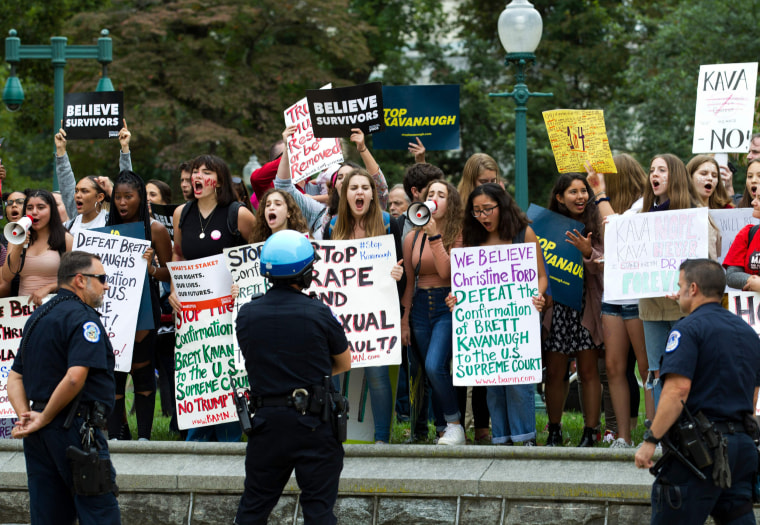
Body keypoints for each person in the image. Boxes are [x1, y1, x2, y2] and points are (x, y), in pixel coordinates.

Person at [235, 230, 351, 524]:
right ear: (307, 272)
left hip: (266, 424)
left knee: (253, 508)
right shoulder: (318, 312)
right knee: (319, 510)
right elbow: (344, 361)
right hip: (314, 423)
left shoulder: (247, 314)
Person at [634, 259, 760, 524]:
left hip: (702, 451)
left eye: (680, 286)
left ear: (693, 288)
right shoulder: (748, 333)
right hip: (741, 450)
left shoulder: (687, 329)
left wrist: (650, 440)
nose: (677, 292)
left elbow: (677, 390)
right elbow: (753, 393)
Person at [7, 251, 121, 524]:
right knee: (99, 513)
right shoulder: (84, 319)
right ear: (80, 280)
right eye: (101, 278)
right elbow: (74, 377)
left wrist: (27, 417)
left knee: (49, 515)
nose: (106, 285)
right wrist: (43, 418)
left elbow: (15, 378)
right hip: (76, 429)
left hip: (40, 434)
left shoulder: (37, 316)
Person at [170, 154, 256, 442]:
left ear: (218, 180)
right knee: (198, 376)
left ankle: (229, 442)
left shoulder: (238, 213)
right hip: (194, 314)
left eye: (205, 172)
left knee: (225, 375)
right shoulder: (181, 213)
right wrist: (173, 289)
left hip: (230, 312)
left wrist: (242, 284)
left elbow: (258, 254)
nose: (197, 176)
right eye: (195, 171)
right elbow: (178, 253)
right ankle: (195, 441)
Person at [457, 183, 547, 446]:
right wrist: (457, 299)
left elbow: (541, 276)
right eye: (476, 211)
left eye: (487, 209)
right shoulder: (472, 239)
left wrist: (537, 296)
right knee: (493, 386)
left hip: (519, 320)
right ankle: (501, 440)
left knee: (519, 384)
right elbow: (465, 284)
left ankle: (525, 439)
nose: (483, 216)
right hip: (487, 327)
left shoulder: (524, 234)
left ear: (502, 206)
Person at [325, 168, 403, 444]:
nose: (359, 192)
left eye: (365, 188)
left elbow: (401, 266)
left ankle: (382, 438)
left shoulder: (388, 223)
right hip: (341, 316)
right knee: (334, 373)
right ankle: (334, 434)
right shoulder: (332, 226)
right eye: (353, 188)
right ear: (345, 195)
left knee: (378, 376)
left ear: (373, 195)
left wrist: (397, 274)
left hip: (377, 317)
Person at [586, 155, 653, 447]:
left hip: (639, 297)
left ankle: (654, 433)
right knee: (614, 368)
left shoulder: (643, 207)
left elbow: (617, 231)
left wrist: (601, 193)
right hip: (613, 296)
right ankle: (623, 437)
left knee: (647, 368)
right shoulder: (605, 206)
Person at [106, 170, 173, 441]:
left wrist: (152, 269)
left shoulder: (155, 229)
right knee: (114, 374)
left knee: (142, 368)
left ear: (140, 198)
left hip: (144, 310)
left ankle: (144, 437)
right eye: (118, 197)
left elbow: (169, 272)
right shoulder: (104, 229)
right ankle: (116, 435)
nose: (122, 203)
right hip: (113, 312)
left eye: (128, 197)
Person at [400, 179, 465, 445]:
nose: (435, 198)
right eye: (431, 194)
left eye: (442, 194)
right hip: (419, 307)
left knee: (434, 365)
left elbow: (448, 272)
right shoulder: (411, 237)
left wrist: (435, 236)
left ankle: (454, 424)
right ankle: (442, 429)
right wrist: (404, 320)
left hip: (446, 304)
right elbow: (408, 279)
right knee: (431, 371)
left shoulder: (457, 233)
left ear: (450, 203)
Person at [543, 173, 604, 447]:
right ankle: (553, 430)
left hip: (585, 306)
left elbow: (604, 265)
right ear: (559, 197)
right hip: (557, 309)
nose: (580, 196)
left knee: (589, 371)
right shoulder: (544, 226)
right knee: (555, 372)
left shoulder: (596, 222)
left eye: (584, 191)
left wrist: (588, 251)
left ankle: (591, 432)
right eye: (573, 192)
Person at [639, 154, 703, 408]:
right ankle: (662, 432)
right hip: (651, 305)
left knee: (683, 369)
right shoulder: (641, 214)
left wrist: (688, 287)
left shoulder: (694, 213)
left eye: (662, 170)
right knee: (656, 371)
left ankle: (686, 431)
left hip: (683, 305)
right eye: (652, 169)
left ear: (675, 175)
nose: (654, 174)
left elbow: (706, 259)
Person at [1, 190, 73, 305]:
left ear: (51, 210)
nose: (34, 212)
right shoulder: (16, 237)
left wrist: (49, 287)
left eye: (41, 207)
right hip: (23, 312)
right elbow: (7, 276)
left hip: (55, 307)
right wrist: (18, 247)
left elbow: (75, 278)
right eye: (29, 208)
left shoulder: (66, 239)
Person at [724, 194, 760, 291]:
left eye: (759, 199)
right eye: (755, 197)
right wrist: (751, 281)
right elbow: (731, 276)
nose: (753, 202)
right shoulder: (748, 233)